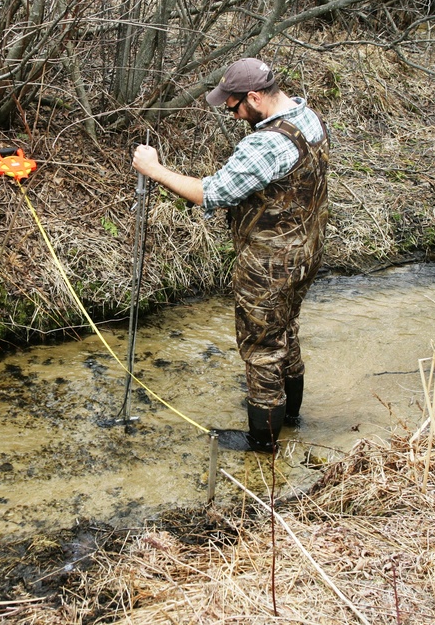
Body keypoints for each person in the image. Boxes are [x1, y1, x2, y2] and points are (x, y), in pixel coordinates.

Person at [132, 58, 330, 453]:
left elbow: (212, 193)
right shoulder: (308, 118)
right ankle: (289, 418)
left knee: (260, 349)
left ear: (255, 97)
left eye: (234, 104)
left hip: (269, 264)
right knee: (285, 331)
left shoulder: (266, 143)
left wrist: (154, 170)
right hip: (307, 253)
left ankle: (263, 442)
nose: (231, 111)